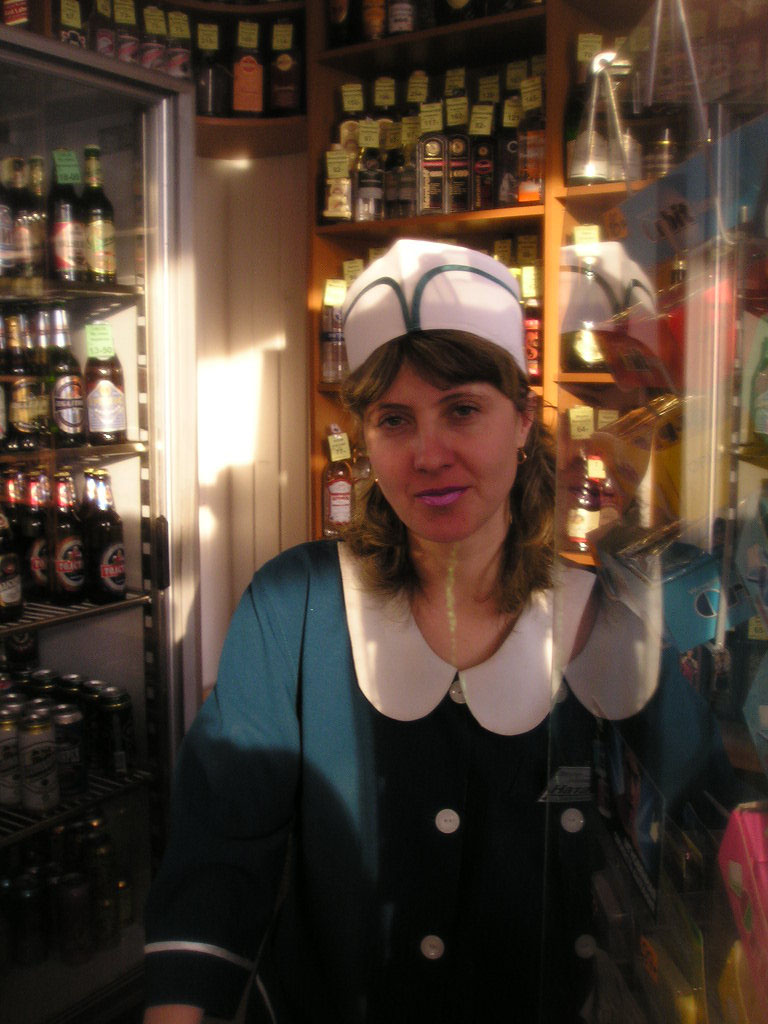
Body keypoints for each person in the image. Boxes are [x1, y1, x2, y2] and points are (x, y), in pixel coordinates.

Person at [142, 239, 738, 1024]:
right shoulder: (294, 606)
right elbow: (219, 858)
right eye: (394, 420)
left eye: (461, 409)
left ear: (521, 419)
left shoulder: (605, 620)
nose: (428, 455)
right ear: (366, 437)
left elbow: (718, 838)